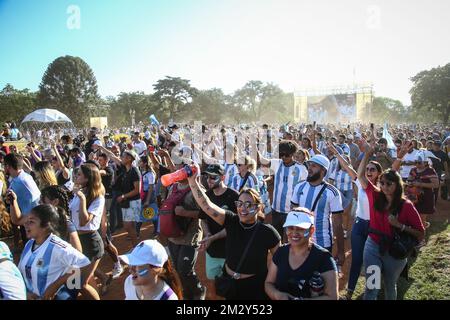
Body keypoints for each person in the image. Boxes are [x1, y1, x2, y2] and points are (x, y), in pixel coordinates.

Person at [187, 164, 280, 300]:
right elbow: (207, 206)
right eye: (239, 204)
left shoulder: (268, 232)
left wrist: (270, 281)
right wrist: (192, 182)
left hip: (254, 287)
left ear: (259, 207)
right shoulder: (231, 221)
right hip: (230, 284)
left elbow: (279, 260)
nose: (243, 208)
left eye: (248, 204)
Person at [329, 141, 383, 299]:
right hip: (359, 226)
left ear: (379, 173)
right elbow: (347, 166)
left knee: (374, 261)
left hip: (375, 228)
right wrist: (336, 153)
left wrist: (367, 154)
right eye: (367, 169)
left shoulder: (383, 188)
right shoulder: (360, 183)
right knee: (357, 259)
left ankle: (373, 292)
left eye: (372, 169)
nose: (368, 171)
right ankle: (350, 292)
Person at [363, 168, 425, 300]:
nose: (385, 186)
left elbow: (420, 233)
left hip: (394, 251)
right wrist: (367, 154)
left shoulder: (406, 206)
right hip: (373, 246)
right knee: (371, 286)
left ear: (397, 185)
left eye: (389, 183)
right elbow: (360, 176)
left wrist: (399, 225)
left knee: (390, 285)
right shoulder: (375, 196)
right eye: (382, 183)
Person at [18, 204, 92, 300]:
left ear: (46, 226)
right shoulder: (29, 244)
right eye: (27, 221)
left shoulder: (57, 247)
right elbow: (20, 272)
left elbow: (83, 262)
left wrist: (55, 286)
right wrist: (26, 293)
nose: (25, 224)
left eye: (31, 221)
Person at [265, 208, 338, 300]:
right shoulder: (281, 252)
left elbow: (333, 297)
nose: (294, 233)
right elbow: (268, 283)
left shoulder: (324, 258)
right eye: (290, 228)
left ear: (311, 230)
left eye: (301, 229)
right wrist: (277, 295)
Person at [290, 155, 345, 269]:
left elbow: (338, 224)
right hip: (300, 240)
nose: (309, 168)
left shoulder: (332, 192)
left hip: (322, 243)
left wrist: (340, 251)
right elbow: (292, 215)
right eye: (309, 165)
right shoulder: (299, 187)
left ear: (323, 171)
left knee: (319, 279)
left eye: (314, 166)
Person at [198, 164, 239, 297]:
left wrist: (212, 238)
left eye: (213, 177)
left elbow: (235, 227)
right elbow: (202, 219)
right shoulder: (206, 196)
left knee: (233, 286)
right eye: (207, 177)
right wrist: (208, 233)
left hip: (230, 250)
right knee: (212, 284)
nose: (209, 180)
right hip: (213, 252)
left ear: (223, 177)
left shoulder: (234, 196)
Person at [70, 163, 106, 300]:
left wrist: (82, 199)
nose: (76, 176)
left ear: (87, 178)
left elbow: (84, 221)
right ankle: (102, 279)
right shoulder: (78, 192)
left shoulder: (97, 198)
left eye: (79, 174)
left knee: (81, 284)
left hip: (91, 243)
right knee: (79, 281)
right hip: (76, 241)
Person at [258, 140, 307, 238]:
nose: (283, 157)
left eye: (286, 154)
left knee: (289, 238)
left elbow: (304, 190)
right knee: (277, 237)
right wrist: (255, 148)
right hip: (276, 208)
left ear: (293, 153)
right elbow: (263, 161)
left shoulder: (301, 169)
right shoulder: (277, 163)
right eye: (281, 154)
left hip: (291, 210)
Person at [4, 153, 41, 245]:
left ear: (8, 166)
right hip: (33, 221)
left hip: (32, 223)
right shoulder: (25, 176)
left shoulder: (19, 182)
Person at [98, 153, 124, 279]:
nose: (99, 161)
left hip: (107, 198)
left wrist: (92, 171)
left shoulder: (108, 169)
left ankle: (117, 263)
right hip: (103, 199)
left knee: (107, 239)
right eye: (98, 159)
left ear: (106, 161)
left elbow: (101, 172)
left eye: (101, 159)